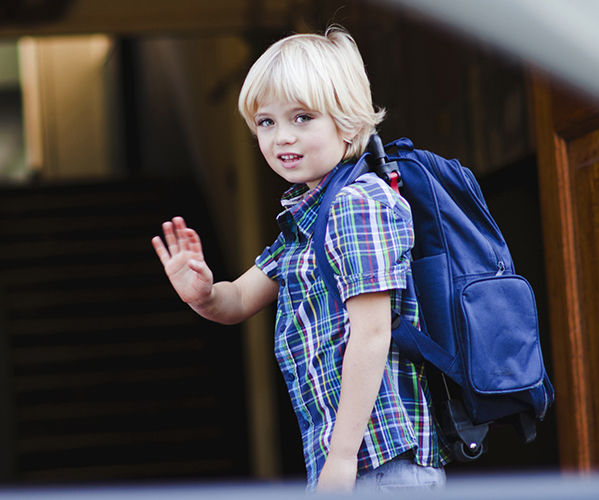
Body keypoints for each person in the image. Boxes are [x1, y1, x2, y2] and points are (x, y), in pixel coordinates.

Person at [150, 27, 447, 493]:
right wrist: (203, 294)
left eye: (302, 117)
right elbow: (237, 300)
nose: (281, 137)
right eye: (266, 122)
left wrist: (343, 458)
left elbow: (372, 335)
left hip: (383, 463)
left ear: (348, 123)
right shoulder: (309, 218)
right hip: (353, 463)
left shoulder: (357, 203)